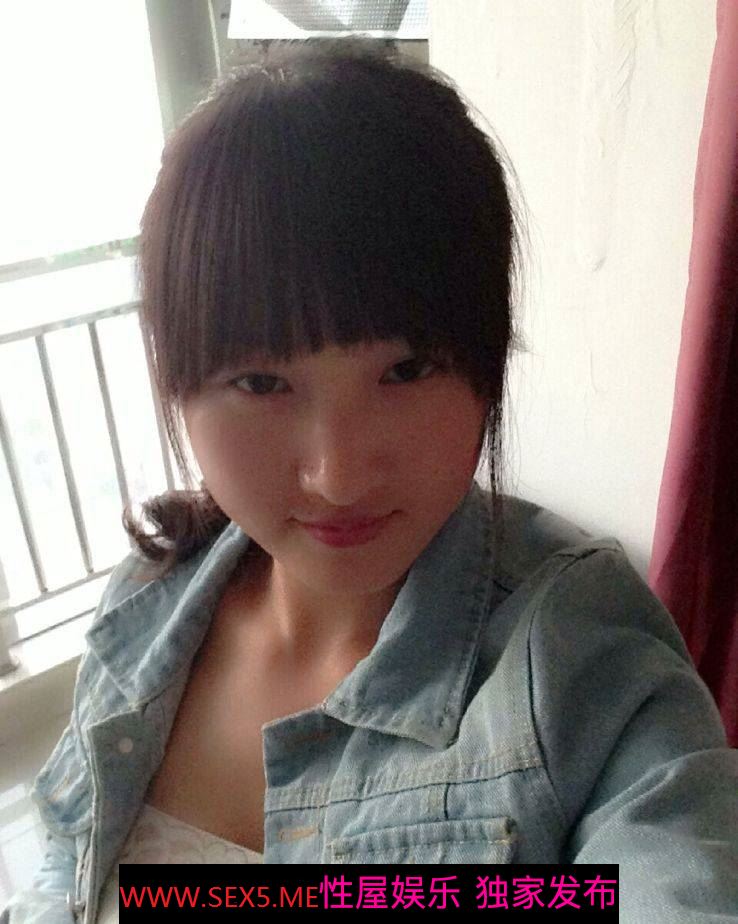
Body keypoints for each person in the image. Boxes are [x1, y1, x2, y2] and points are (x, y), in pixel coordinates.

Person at [3, 37, 737, 924]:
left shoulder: (575, 650)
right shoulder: (150, 600)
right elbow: (64, 863)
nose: (338, 473)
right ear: (178, 382)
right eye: (261, 383)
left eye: (407, 369)